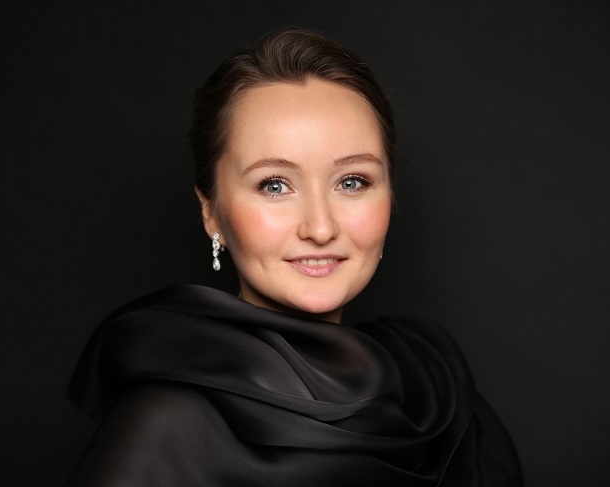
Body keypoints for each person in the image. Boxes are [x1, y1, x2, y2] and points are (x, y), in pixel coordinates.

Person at [66, 28, 523, 486]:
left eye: (352, 182)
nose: (320, 228)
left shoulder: (433, 383)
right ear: (211, 212)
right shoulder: (170, 424)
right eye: (274, 185)